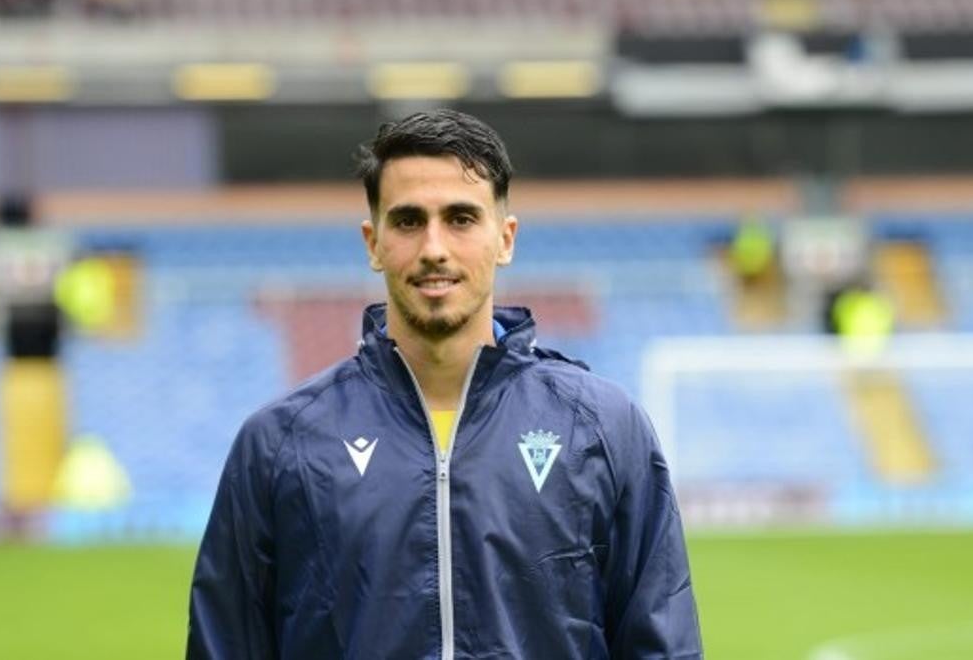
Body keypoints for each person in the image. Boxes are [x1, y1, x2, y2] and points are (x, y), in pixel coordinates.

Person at [187, 109, 703, 659]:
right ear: (373, 242)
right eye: (409, 221)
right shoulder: (279, 443)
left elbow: (661, 645)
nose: (434, 247)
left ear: (505, 238)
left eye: (461, 218)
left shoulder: (603, 428)